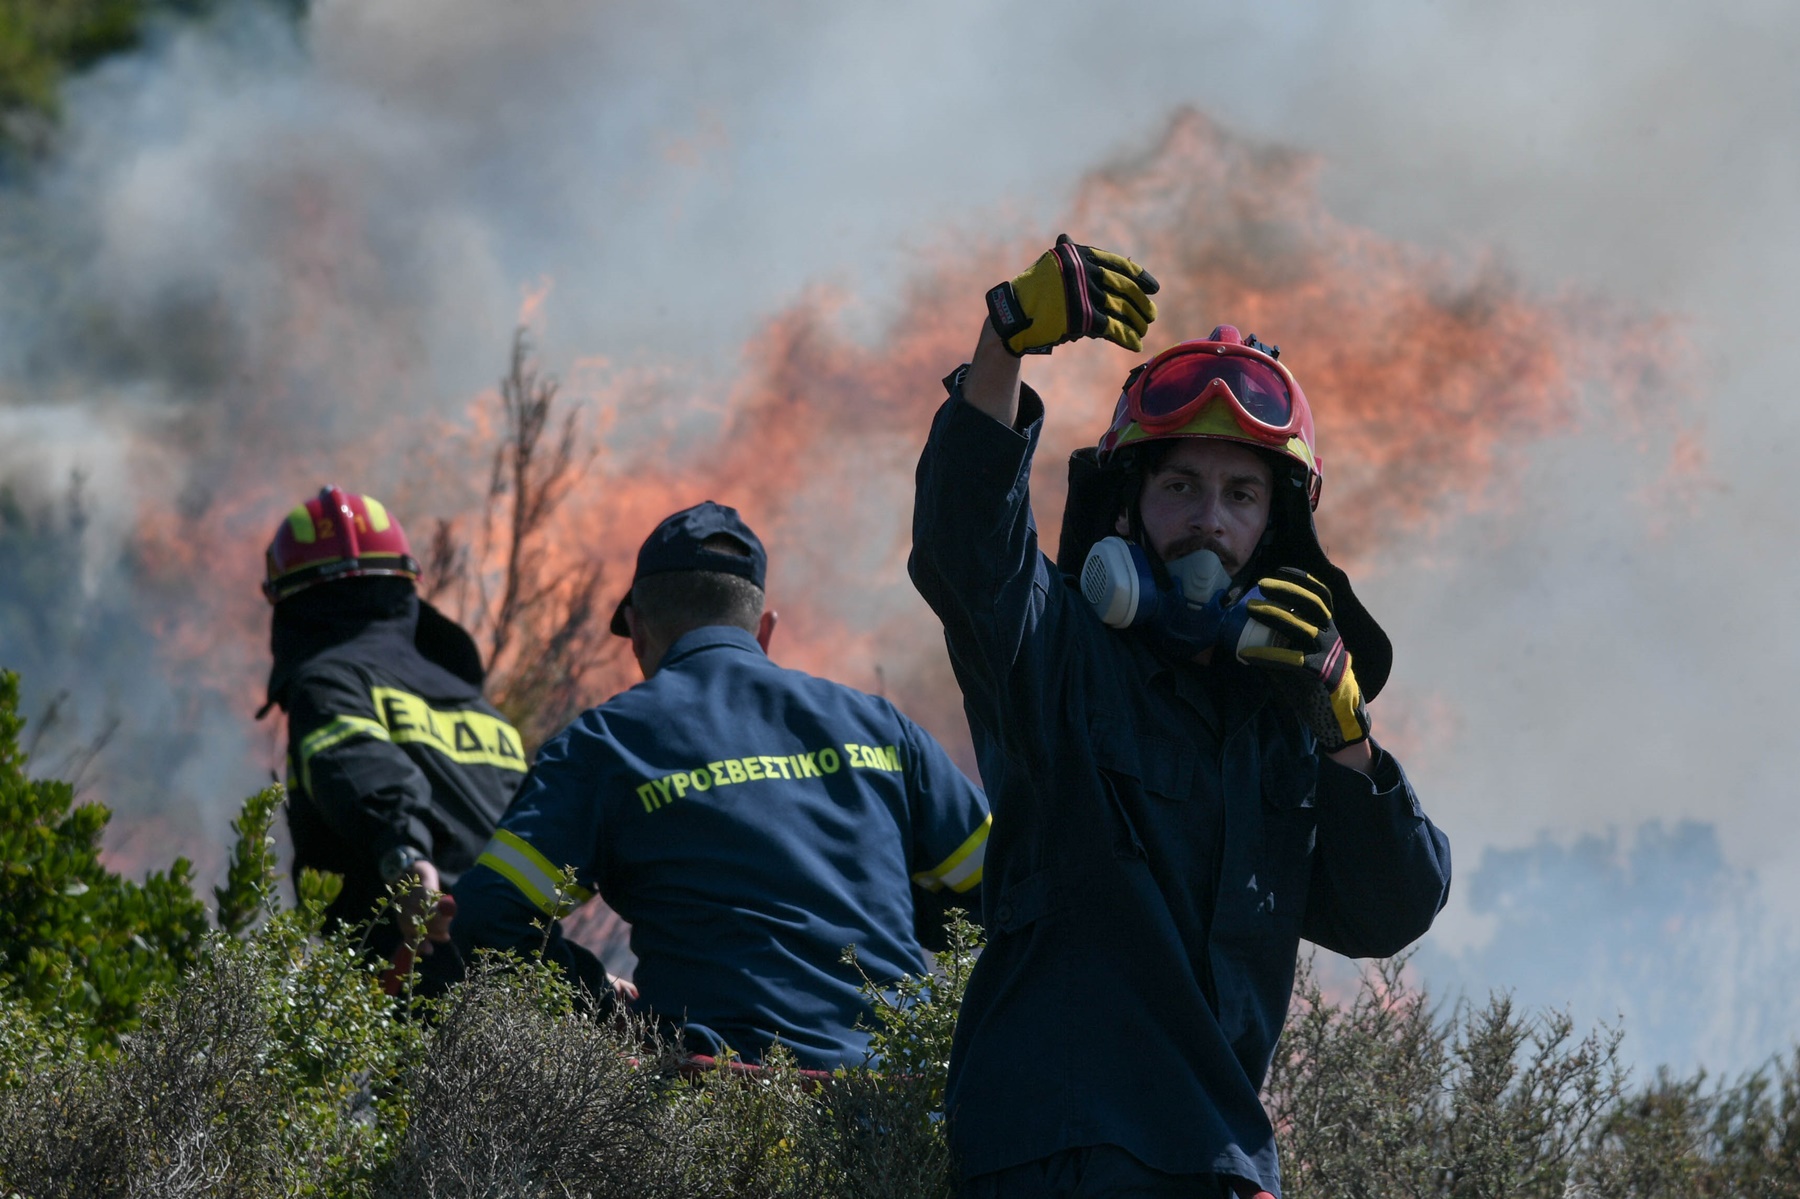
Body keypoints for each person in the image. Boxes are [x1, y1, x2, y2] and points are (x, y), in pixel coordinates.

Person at [909, 236, 1453, 1197]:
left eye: (1241, 494)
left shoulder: (1286, 730)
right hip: (1061, 1151)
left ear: (1276, 533)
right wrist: (1005, 344)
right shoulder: (1059, 656)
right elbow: (969, 550)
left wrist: (1347, 740)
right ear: (1129, 511)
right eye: (1180, 486)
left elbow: (1388, 909)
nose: (1210, 518)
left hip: (1219, 1163)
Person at [453, 500, 992, 1069]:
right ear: (764, 630)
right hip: (904, 1108)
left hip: (723, 1109)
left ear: (636, 631)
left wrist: (616, 1015)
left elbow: (487, 916)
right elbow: (1013, 886)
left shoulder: (605, 745)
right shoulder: (881, 729)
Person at [263, 486, 526, 989]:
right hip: (524, 979)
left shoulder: (326, 683)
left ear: (291, 607)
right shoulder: (481, 709)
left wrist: (405, 856)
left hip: (419, 973)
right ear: (405, 586)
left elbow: (363, 768)